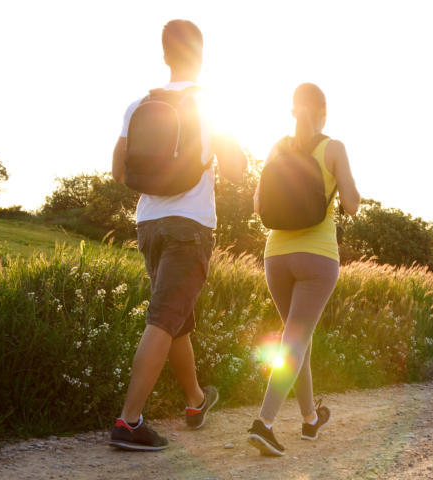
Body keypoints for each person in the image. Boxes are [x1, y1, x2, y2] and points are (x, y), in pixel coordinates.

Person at [109, 19, 247, 451]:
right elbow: (238, 172)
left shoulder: (138, 105)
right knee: (164, 320)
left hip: (148, 222)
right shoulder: (209, 107)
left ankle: (195, 400)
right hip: (190, 225)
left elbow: (119, 171)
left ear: (166, 56)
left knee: (176, 322)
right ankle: (129, 422)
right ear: (201, 58)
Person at [248, 83, 361, 456]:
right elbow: (353, 205)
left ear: (294, 110)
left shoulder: (278, 147)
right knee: (294, 341)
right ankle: (263, 423)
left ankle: (311, 419)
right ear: (323, 113)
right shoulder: (334, 148)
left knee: (299, 341)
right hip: (317, 257)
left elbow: (258, 203)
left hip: (275, 256)